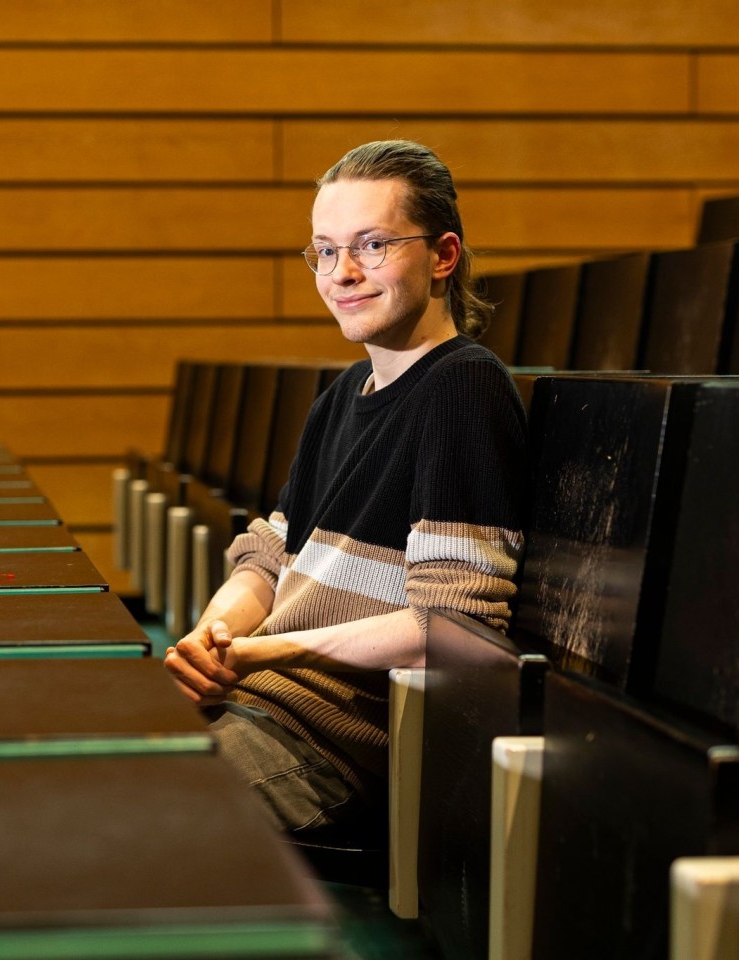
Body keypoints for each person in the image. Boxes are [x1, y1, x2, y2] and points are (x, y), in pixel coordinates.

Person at [163, 139, 527, 840]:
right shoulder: (340, 397)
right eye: (325, 251)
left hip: (329, 752)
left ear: (443, 256)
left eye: (373, 245)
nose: (344, 273)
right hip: (254, 704)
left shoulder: (462, 389)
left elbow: (451, 629)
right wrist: (213, 638)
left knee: (124, 826)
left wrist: (266, 651)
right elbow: (267, 560)